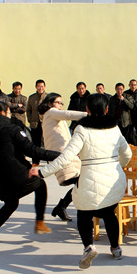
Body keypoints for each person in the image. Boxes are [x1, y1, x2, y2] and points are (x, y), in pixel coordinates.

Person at [31, 93, 132, 270]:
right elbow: (127, 154)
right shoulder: (114, 128)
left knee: (84, 214)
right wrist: (118, 165)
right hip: (114, 182)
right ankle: (116, 249)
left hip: (89, 180)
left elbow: (65, 158)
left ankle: (89, 247)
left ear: (87, 109)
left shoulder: (82, 130)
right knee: (109, 214)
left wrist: (42, 172)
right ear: (107, 109)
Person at [0, 102, 60, 245]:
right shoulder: (12, 129)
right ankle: (40, 222)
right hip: (18, 175)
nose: (10, 114)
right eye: (9, 112)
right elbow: (33, 151)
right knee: (40, 184)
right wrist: (60, 155)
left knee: (11, 203)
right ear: (3, 113)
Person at [38, 93, 87, 222]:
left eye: (61, 103)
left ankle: (62, 207)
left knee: (80, 183)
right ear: (50, 103)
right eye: (58, 102)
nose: (60, 105)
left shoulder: (50, 116)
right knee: (81, 183)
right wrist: (89, 115)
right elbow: (68, 114)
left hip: (64, 154)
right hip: (62, 155)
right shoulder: (51, 112)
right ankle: (83, 215)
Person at [26, 79, 47, 165]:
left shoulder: (48, 97)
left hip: (45, 123)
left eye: (42, 86)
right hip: (35, 123)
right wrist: (30, 119)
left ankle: (49, 161)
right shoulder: (32, 97)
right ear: (36, 87)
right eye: (39, 86)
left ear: (44, 87)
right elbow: (28, 110)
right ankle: (35, 161)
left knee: (47, 143)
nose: (40, 88)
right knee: (35, 144)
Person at [124, 79, 137, 144]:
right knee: (129, 131)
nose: (133, 86)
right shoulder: (125, 93)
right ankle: (131, 144)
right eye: (132, 85)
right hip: (129, 115)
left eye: (134, 85)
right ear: (129, 85)